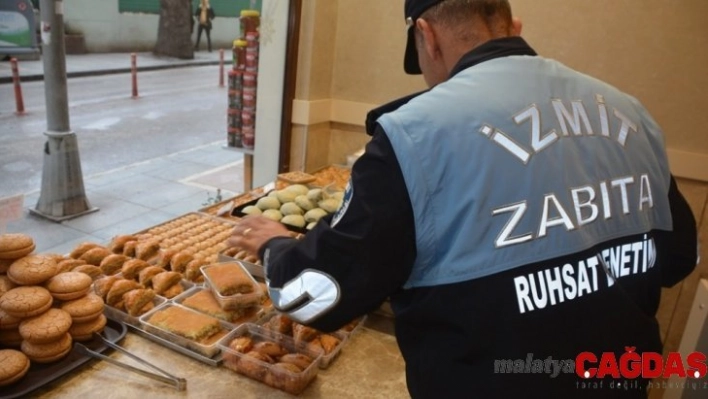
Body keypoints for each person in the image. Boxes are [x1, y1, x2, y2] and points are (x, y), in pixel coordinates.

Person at [228, 0, 699, 397]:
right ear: (513, 28)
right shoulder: (628, 111)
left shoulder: (416, 131)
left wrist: (275, 247)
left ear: (427, 37)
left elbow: (313, 295)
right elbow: (678, 257)